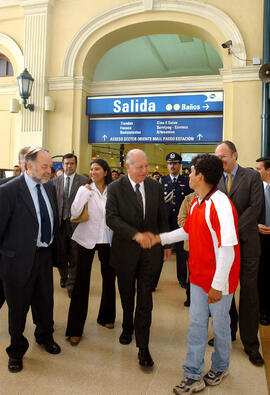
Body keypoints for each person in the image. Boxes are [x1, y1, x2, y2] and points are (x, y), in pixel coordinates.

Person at [150, 154, 240, 394]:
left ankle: (221, 367)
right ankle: (192, 374)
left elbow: (228, 249)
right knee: (197, 325)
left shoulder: (221, 205)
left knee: (220, 327)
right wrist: (159, 238)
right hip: (198, 277)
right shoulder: (198, 202)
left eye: (191, 172)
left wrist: (218, 285)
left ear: (200, 176)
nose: (188, 175)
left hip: (219, 281)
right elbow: (185, 231)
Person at [106, 149, 170, 367]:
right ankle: (127, 325)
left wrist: (165, 243)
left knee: (145, 299)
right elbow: (111, 218)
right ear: (128, 167)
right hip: (124, 252)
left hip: (150, 254)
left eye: (146, 166)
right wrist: (135, 235)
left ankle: (143, 347)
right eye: (140, 167)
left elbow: (162, 216)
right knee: (126, 296)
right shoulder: (115, 188)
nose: (145, 170)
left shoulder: (155, 186)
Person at [0, 148, 63, 373]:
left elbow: (52, 220)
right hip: (17, 260)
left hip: (44, 256)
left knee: (45, 302)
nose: (50, 171)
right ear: (28, 166)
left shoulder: (48, 187)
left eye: (50, 166)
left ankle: (45, 336)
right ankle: (16, 351)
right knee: (18, 310)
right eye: (45, 166)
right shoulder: (8, 191)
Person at [214, 141, 264, 367]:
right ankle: (227, 332)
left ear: (234, 155)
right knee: (225, 292)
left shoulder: (251, 177)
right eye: (217, 157)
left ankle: (251, 344)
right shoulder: (215, 179)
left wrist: (232, 229)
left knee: (249, 293)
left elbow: (256, 208)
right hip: (223, 248)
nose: (220, 161)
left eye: (223, 156)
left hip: (247, 244)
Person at [65, 159, 116, 345]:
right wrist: (85, 193)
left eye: (97, 169)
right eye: (91, 168)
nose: (93, 172)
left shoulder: (113, 190)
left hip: (108, 240)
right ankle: (75, 329)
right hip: (86, 239)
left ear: (105, 172)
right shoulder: (84, 189)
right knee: (81, 282)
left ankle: (106, 317)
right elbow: (74, 211)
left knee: (110, 279)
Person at [53, 153, 88, 295]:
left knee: (75, 256)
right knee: (61, 254)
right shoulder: (55, 181)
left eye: (72, 163)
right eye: (66, 163)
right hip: (60, 224)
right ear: (62, 165)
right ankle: (63, 276)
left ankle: (71, 284)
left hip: (76, 225)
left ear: (76, 165)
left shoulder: (84, 181)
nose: (69, 166)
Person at [160, 152, 192, 287]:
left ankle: (182, 278)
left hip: (180, 222)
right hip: (165, 222)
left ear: (180, 165)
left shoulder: (186, 181)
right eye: (170, 163)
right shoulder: (161, 181)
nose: (172, 166)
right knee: (159, 252)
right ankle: (153, 280)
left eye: (174, 163)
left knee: (181, 253)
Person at [255, 156, 270, 326]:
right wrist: (256, 225)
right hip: (259, 238)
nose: (256, 171)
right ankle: (263, 311)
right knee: (262, 275)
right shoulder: (255, 188)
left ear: (268, 171)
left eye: (259, 169)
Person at [177, 191, 197, 307]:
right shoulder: (188, 199)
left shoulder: (215, 198)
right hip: (191, 244)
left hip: (209, 245)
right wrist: (196, 228)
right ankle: (190, 298)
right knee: (192, 273)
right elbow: (181, 219)